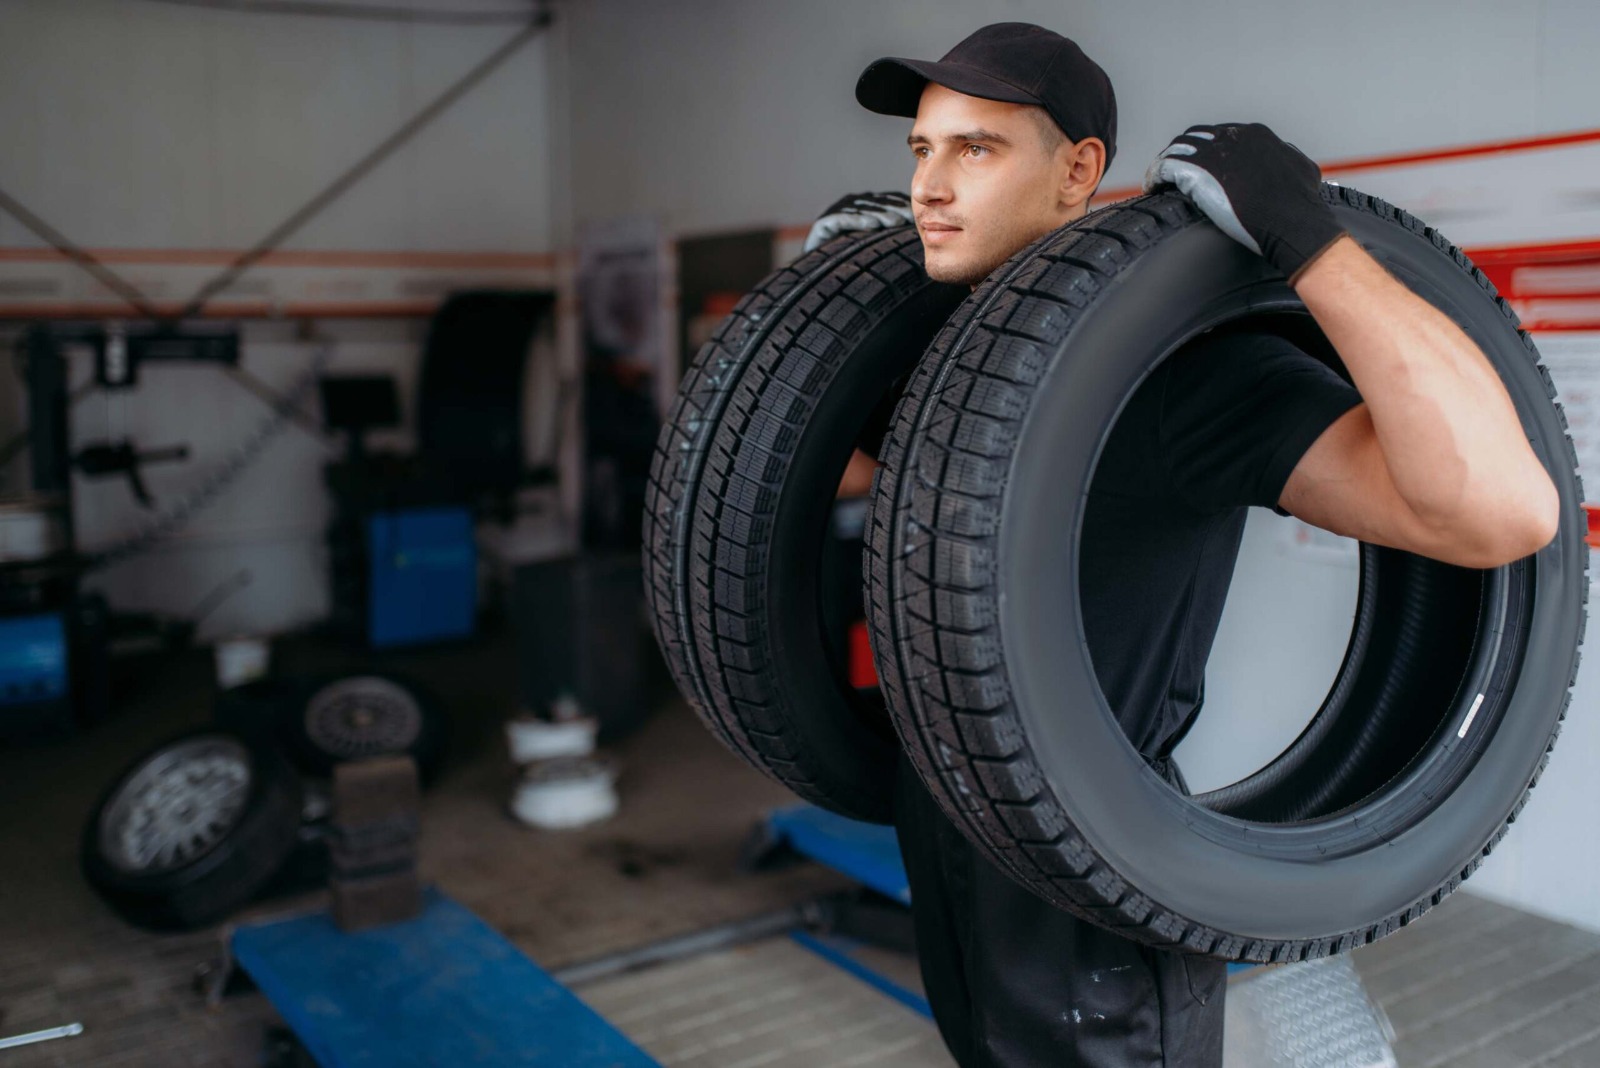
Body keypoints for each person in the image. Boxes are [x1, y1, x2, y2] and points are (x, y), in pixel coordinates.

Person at [808, 21, 1559, 1068]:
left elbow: (1497, 514)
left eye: (975, 149)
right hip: (947, 836)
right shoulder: (956, 368)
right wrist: (823, 341)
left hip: (1088, 891)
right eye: (921, 151)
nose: (933, 183)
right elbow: (853, 476)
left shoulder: (1189, 378)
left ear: (1076, 174)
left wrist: (1310, 240)